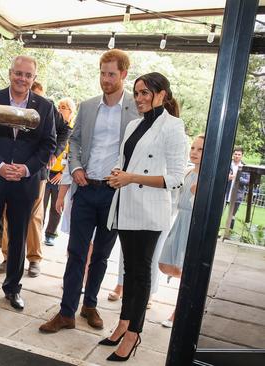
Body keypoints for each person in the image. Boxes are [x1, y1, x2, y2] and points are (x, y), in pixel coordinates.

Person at [40, 49, 139, 334]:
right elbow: (76, 141)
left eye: (111, 74)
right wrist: (77, 167)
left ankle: (90, 305)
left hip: (114, 193)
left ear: (123, 74)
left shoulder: (136, 108)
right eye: (102, 73)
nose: (105, 79)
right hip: (85, 189)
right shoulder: (88, 105)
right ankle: (66, 312)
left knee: (101, 256)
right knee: (76, 253)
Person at [101, 72, 188, 361]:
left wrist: (130, 177)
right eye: (136, 93)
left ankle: (134, 333)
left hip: (150, 211)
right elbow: (122, 161)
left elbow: (176, 178)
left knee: (140, 273)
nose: (139, 99)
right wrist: (116, 175)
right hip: (126, 205)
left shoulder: (173, 127)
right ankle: (123, 323)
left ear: (162, 94)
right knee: (129, 271)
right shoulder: (133, 125)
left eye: (145, 93)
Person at [0, 55, 56, 310]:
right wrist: (0, 166)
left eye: (28, 75)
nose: (22, 79)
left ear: (34, 78)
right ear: (10, 73)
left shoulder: (44, 106)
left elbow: (48, 144)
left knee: (18, 238)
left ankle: (13, 289)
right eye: (19, 73)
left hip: (24, 183)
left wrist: (26, 169)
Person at [0, 82, 71, 277]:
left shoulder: (47, 107)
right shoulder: (8, 106)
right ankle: (7, 257)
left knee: (34, 216)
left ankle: (34, 259)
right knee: (7, 214)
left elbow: (64, 131)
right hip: (10, 171)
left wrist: (54, 152)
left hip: (37, 172)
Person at [158, 134, 204, 328]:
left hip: (193, 225)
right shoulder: (187, 172)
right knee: (166, 263)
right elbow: (174, 198)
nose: (194, 152)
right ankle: (193, 297)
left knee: (186, 269)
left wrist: (197, 195)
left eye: (200, 149)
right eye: (193, 148)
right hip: (180, 221)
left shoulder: (206, 179)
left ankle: (179, 312)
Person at [44, 97, 76, 246]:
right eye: (59, 106)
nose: (60, 109)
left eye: (64, 107)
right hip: (47, 171)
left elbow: (73, 156)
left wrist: (62, 173)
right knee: (41, 205)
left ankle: (50, 234)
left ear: (71, 111)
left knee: (57, 206)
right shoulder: (53, 125)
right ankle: (36, 230)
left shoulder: (73, 130)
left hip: (61, 174)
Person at [225, 147, 250, 229]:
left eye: (239, 154)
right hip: (224, 194)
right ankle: (214, 233)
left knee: (232, 216)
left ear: (242, 156)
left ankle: (228, 234)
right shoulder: (227, 164)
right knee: (218, 214)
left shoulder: (245, 167)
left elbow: (247, 181)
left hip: (237, 195)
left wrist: (237, 178)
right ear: (233, 154)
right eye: (235, 154)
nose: (237, 156)